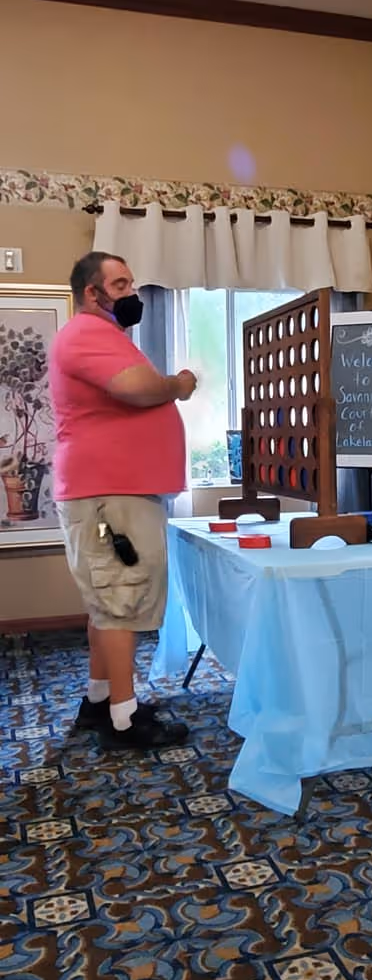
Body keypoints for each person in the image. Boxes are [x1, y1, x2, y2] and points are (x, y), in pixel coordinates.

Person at [49, 251, 197, 750]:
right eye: (121, 284)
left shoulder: (102, 335)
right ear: (93, 293)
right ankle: (124, 719)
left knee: (108, 601)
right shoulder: (86, 332)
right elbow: (135, 388)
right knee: (120, 598)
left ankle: (99, 700)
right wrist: (178, 385)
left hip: (111, 494)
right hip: (108, 497)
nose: (132, 293)